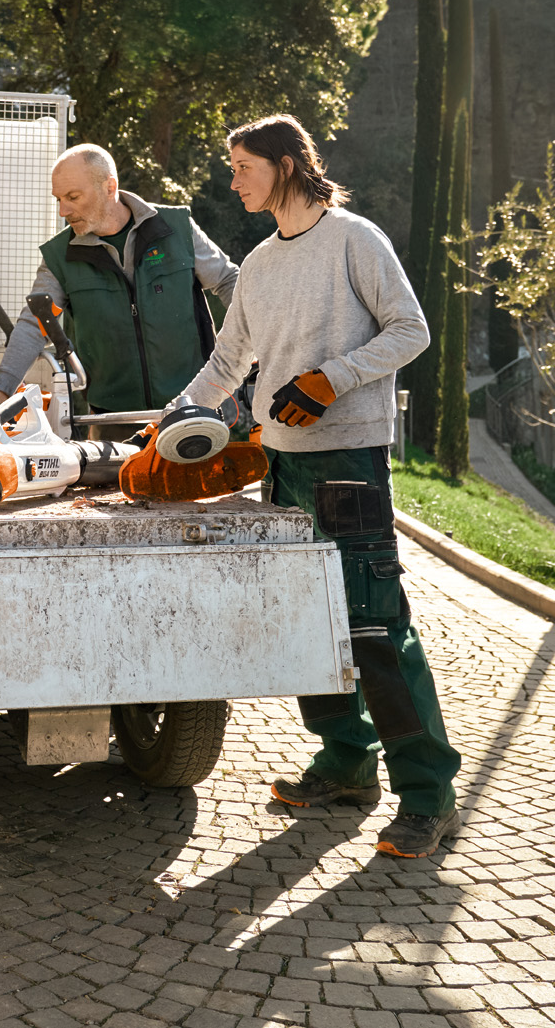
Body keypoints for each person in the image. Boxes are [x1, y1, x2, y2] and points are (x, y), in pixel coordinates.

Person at [172, 115, 462, 858]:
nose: (233, 180)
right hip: (285, 463)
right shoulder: (261, 263)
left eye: (243, 165)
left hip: (351, 462)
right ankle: (345, 760)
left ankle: (428, 792)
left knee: (376, 629)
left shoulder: (355, 240)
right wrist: (175, 418)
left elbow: (411, 329)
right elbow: (229, 360)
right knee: (310, 625)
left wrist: (330, 380)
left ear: (287, 163)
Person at [0, 144, 240, 430]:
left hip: (192, 408)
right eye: (59, 199)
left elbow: (231, 282)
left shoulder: (175, 229)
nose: (63, 210)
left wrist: (253, 346)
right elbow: (35, 325)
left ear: (110, 186)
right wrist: (0, 392)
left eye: (73, 197)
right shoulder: (60, 257)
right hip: (112, 421)